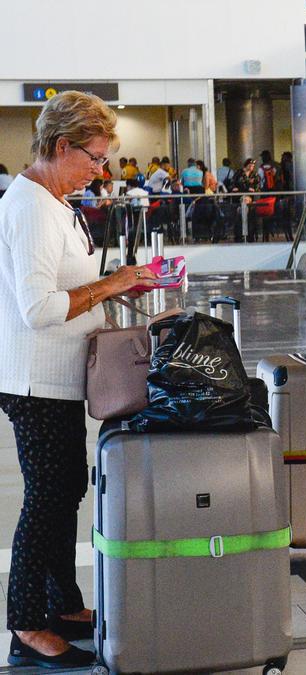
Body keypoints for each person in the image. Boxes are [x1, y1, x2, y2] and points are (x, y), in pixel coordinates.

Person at [0, 91, 158, 670]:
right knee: (45, 500)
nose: (100, 171)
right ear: (61, 146)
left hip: (59, 376)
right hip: (35, 380)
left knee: (66, 492)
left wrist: (118, 289)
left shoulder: (54, 201)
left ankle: (61, 604)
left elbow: (70, 287)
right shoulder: (30, 208)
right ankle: (24, 625)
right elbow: (38, 307)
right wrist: (113, 284)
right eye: (93, 158)